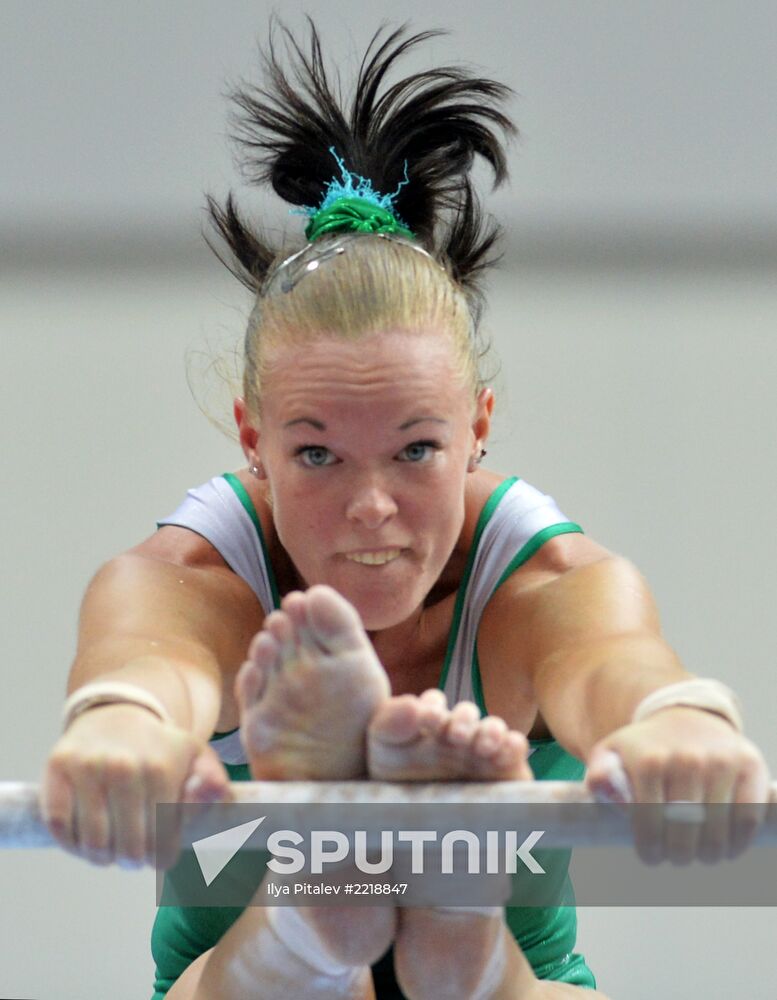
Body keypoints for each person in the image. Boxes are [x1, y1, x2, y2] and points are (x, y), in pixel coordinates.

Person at [40, 21, 770, 1000]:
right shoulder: (194, 578)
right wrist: (122, 729)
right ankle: (331, 920)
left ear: (479, 430)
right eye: (317, 453)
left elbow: (614, 667)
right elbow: (150, 666)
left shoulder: (546, 582)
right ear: (252, 441)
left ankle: (439, 939)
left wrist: (673, 721)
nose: (371, 508)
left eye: (417, 449)